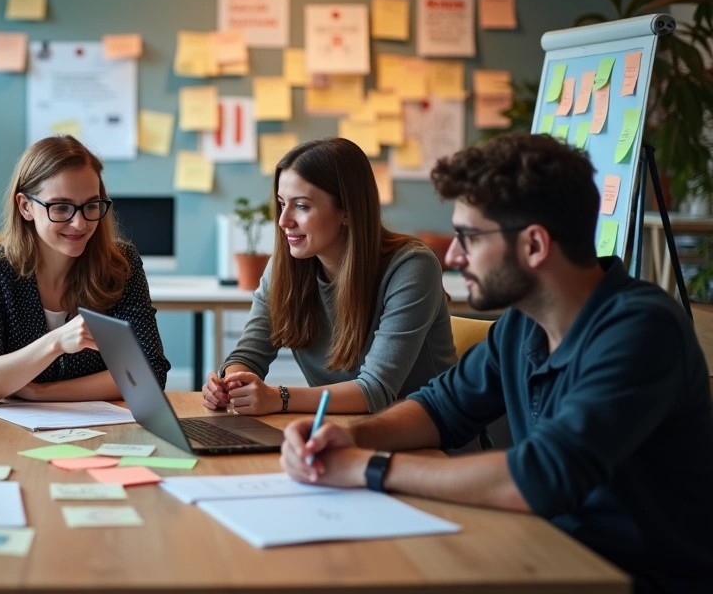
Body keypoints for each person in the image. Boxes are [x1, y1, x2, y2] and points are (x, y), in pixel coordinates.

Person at [282, 133, 713, 593]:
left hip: (634, 577)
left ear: (533, 245)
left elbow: (541, 476)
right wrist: (349, 434)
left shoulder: (640, 330)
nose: (452, 255)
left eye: (468, 236)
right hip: (544, 553)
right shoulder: (524, 324)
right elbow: (438, 408)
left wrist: (367, 467)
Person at [203, 138, 456, 416]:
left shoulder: (412, 267)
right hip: (344, 433)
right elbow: (248, 356)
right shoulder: (284, 267)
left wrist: (279, 398)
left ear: (346, 211)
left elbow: (376, 391)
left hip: (432, 445)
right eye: (281, 203)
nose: (283, 220)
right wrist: (231, 382)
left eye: (301, 206)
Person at [0, 135, 170, 404]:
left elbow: (149, 374)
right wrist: (56, 342)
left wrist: (40, 392)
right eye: (61, 207)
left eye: (91, 206)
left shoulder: (120, 264)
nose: (79, 223)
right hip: (13, 433)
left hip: (101, 428)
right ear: (26, 207)